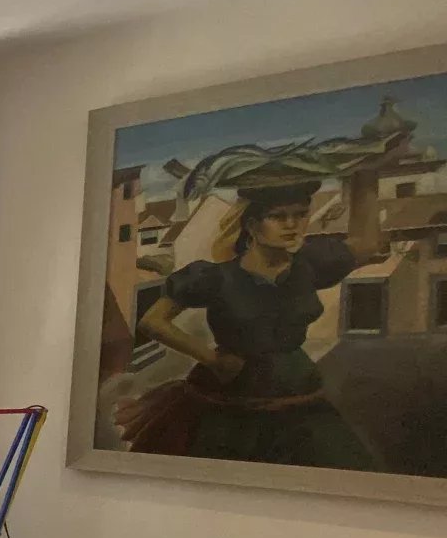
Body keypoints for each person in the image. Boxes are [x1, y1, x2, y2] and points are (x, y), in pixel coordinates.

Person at [120, 161, 386, 469]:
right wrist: (212, 359)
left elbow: (366, 244)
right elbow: (152, 322)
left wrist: (368, 170)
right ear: (252, 225)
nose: (293, 224)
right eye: (278, 216)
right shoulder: (215, 278)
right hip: (232, 405)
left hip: (300, 399)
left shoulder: (311, 264)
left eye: (301, 214)